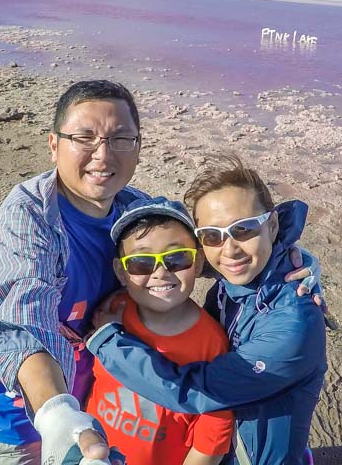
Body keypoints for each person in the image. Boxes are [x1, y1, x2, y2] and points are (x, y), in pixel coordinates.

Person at [0, 81, 322, 465]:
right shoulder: (32, 214)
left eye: (120, 139)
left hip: (92, 387)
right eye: (84, 137)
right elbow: (23, 314)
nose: (103, 154)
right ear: (54, 144)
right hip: (23, 407)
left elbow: (210, 248)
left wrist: (283, 261)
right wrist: (56, 417)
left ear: (137, 148)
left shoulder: (135, 211)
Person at [88, 155, 327, 465]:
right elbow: (173, 261)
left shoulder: (294, 324)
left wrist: (107, 342)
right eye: (213, 235)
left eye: (244, 229)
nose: (229, 250)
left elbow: (195, 391)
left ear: (272, 225)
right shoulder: (233, 281)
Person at [87, 196, 234, 465]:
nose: (160, 272)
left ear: (198, 262)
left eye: (177, 258)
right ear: (121, 271)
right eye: (141, 262)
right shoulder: (113, 312)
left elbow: (211, 439)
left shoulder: (212, 344)